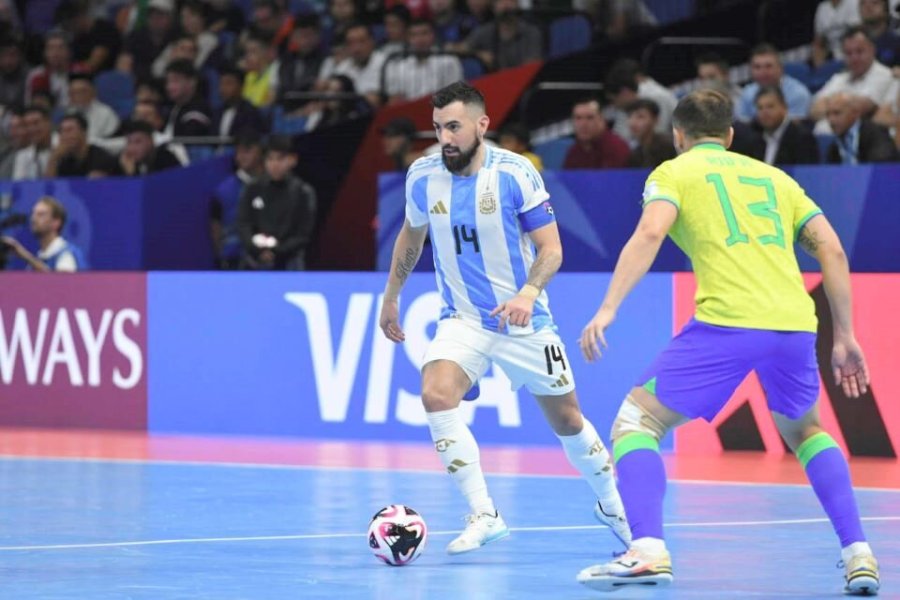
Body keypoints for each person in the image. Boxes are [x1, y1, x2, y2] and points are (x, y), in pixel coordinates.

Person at [575, 88, 880, 596]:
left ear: (678, 136)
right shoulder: (776, 178)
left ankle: (647, 550)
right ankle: (860, 555)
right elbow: (831, 247)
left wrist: (608, 308)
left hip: (728, 324)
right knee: (806, 432)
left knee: (637, 420)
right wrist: (844, 334)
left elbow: (650, 233)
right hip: (794, 325)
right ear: (732, 136)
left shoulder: (674, 172)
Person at [378, 81, 630, 556]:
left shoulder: (516, 174)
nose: (444, 138)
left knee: (569, 421)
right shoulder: (422, 175)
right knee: (435, 393)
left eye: (453, 126)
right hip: (463, 319)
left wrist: (528, 292)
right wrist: (392, 295)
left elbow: (552, 249)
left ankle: (612, 504)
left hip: (525, 322)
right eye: (437, 129)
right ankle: (484, 513)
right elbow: (411, 238)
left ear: (481, 124)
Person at [237, 135, 317, 270]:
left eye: (280, 159)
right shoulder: (253, 188)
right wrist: (257, 249)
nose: (274, 164)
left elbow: (303, 234)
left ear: (293, 160)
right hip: (255, 260)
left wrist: (277, 250)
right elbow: (244, 223)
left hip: (290, 262)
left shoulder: (303, 192)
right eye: (270, 159)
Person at [211, 132, 264, 269]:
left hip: (271, 260)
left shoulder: (277, 184)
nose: (241, 157)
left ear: (260, 151)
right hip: (234, 260)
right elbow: (215, 225)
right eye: (238, 152)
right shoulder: (223, 190)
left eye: (247, 151)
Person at [1, 196, 88, 272]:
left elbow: (61, 284)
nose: (33, 219)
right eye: (33, 214)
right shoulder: (38, 259)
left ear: (56, 223)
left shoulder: (67, 255)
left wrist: (24, 255)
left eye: (41, 214)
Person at [736, 43, 812, 122]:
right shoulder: (747, 93)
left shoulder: (799, 94)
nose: (762, 72)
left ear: (780, 68)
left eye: (768, 66)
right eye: (757, 67)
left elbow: (796, 129)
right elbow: (742, 125)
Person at [752, 86, 820, 165]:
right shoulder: (754, 136)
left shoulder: (802, 138)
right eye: (760, 108)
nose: (764, 112)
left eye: (770, 107)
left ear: (784, 108)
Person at [824, 91, 899, 162]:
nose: (831, 120)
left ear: (855, 112)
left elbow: (883, 163)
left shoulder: (876, 134)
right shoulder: (834, 145)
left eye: (837, 113)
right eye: (828, 114)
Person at [563, 97, 630, 169]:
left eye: (590, 118)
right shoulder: (574, 151)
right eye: (578, 118)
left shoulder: (616, 147)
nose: (583, 124)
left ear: (602, 120)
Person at [45, 112, 117, 177]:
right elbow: (49, 188)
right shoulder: (64, 160)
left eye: (69, 130)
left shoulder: (101, 158)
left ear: (84, 132)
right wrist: (53, 159)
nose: (64, 136)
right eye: (61, 131)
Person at [624, 98, 676, 169]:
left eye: (640, 117)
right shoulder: (634, 152)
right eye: (629, 116)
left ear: (655, 120)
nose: (633, 122)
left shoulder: (669, 146)